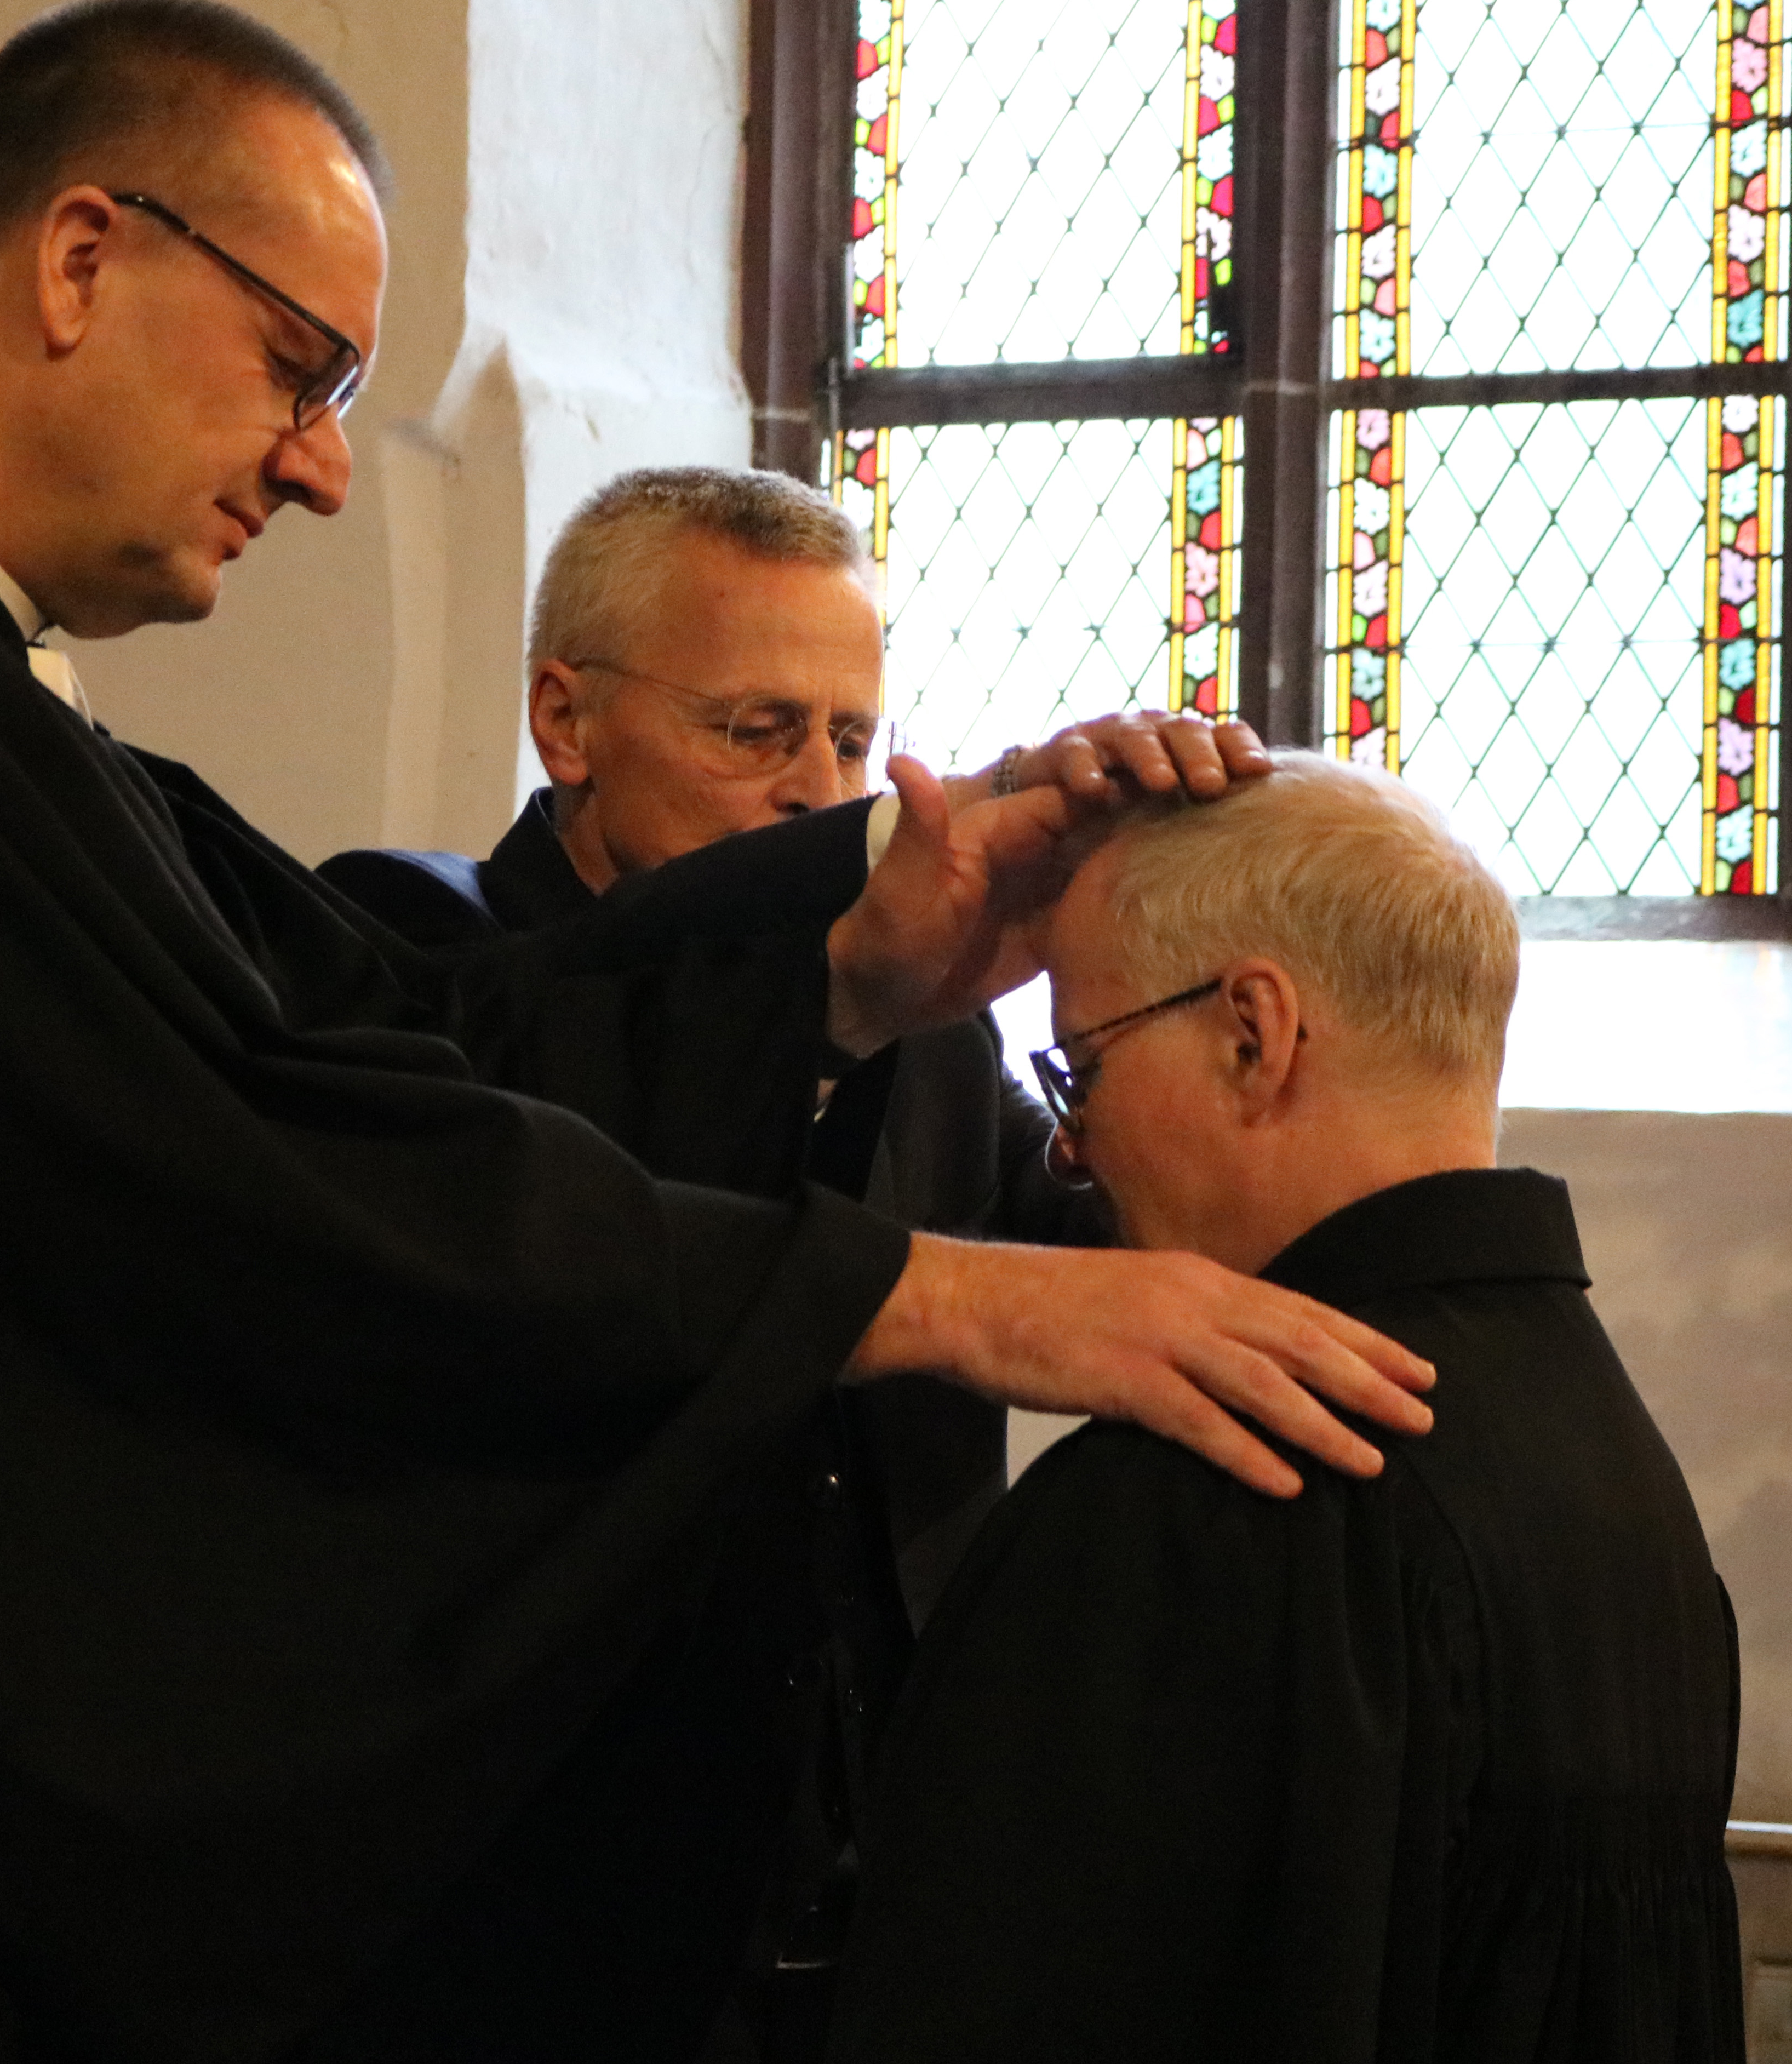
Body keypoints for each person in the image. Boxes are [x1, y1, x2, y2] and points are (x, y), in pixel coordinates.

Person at [0, 7, 1434, 2057]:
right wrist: (939, 1295)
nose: (325, 464)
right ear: (80, 259)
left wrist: (859, 953)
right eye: (304, 366)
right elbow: (232, 1170)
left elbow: (403, 1033)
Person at [325, 467, 1204, 2050]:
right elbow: (549, 1222)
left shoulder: (932, 1036)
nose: (816, 792)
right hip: (535, 1914)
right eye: (756, 732)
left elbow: (1113, 1260)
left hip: (874, 1913)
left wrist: (1170, 990)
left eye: (853, 743)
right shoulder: (409, 949)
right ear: (566, 722)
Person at [829, 755, 1745, 2063]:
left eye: (1079, 1069)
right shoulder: (1617, 1470)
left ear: (1253, 1033)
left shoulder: (1202, 1488)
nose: (1065, 1148)